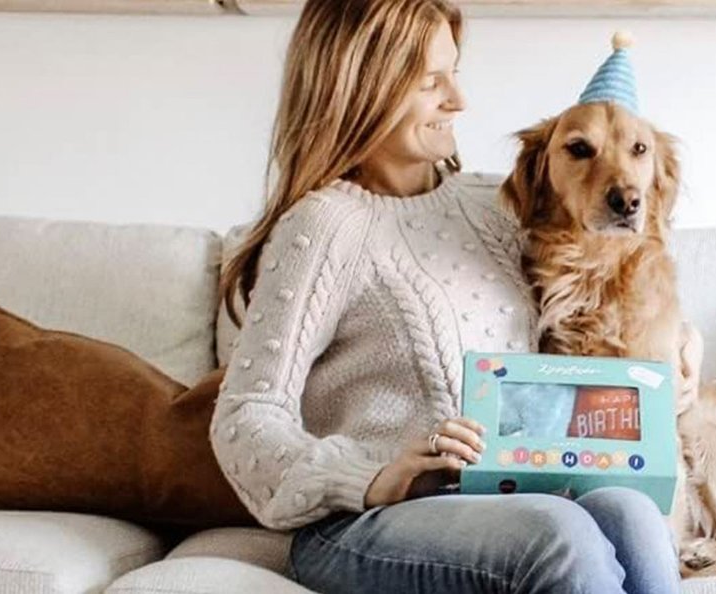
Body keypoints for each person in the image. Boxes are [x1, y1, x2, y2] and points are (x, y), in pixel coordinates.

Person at [210, 1, 685, 592]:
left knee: (631, 514)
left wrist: (680, 343)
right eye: (431, 81)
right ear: (362, 86)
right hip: (366, 523)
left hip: (505, 500)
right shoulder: (323, 227)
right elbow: (245, 416)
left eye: (454, 74)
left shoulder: (498, 207)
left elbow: (616, 275)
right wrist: (372, 478)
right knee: (561, 533)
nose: (458, 100)